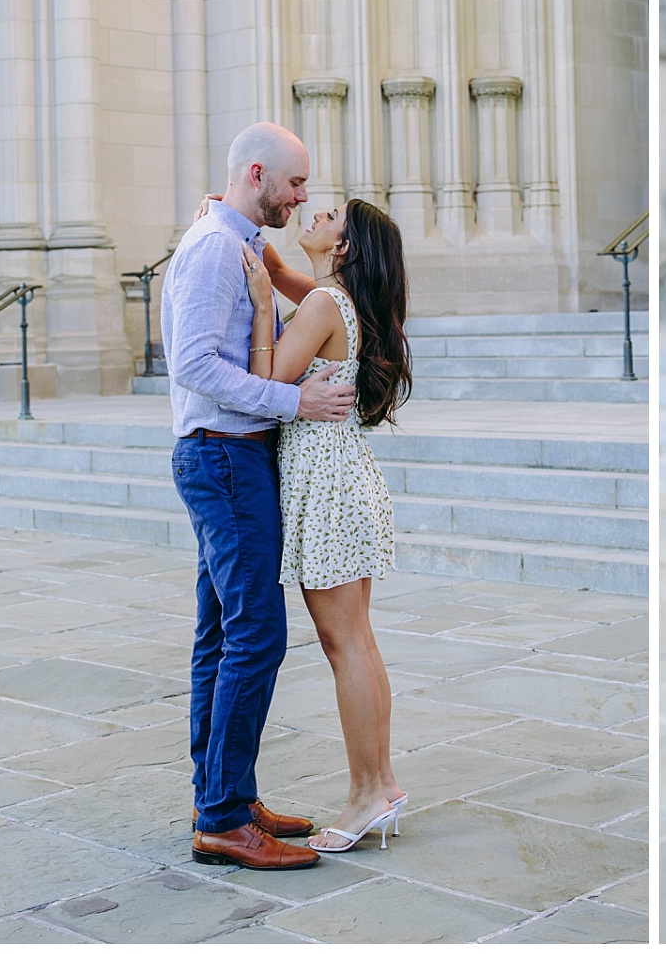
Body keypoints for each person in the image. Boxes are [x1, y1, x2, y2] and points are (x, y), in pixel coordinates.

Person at [162, 121, 356, 871]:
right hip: (225, 458)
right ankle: (220, 817)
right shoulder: (215, 247)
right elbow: (194, 367)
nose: (303, 196)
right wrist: (294, 404)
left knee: (221, 634)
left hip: (230, 458)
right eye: (295, 184)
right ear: (255, 173)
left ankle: (227, 795)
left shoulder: (235, 240)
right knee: (255, 635)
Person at [239, 198, 413, 852]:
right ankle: (384, 782)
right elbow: (291, 276)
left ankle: (368, 791)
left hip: (325, 482)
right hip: (344, 476)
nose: (316, 211)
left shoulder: (321, 306)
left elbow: (268, 381)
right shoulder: (335, 299)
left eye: (333, 216)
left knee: (344, 645)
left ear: (344, 249)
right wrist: (263, 253)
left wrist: (261, 305)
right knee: (359, 641)